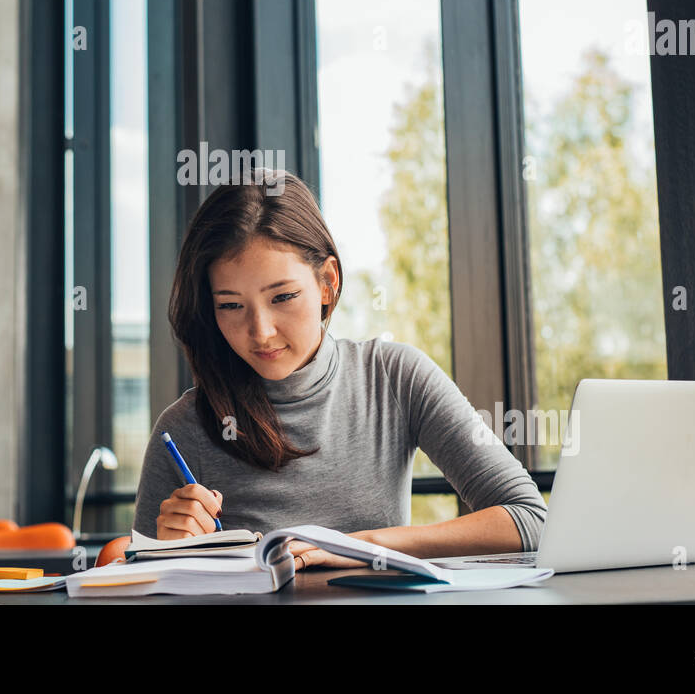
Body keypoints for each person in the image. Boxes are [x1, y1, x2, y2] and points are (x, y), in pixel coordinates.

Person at [132, 169, 547, 570]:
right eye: (231, 305)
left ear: (327, 282)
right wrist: (167, 553)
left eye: (283, 297)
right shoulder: (185, 428)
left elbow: (531, 520)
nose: (260, 331)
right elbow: (131, 575)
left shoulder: (394, 378)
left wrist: (362, 545)